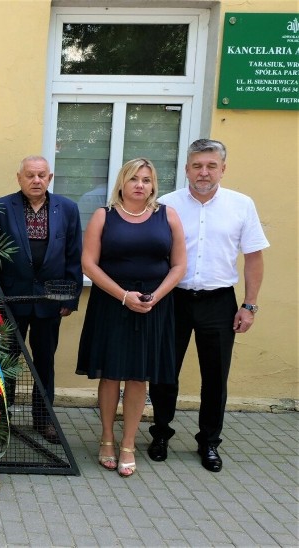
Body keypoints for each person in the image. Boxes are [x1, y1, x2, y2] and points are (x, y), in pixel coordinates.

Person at [149, 139, 269, 473]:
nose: (204, 172)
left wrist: (250, 305)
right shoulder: (166, 205)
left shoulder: (241, 205)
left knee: (215, 377)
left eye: (211, 166)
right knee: (164, 373)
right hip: (173, 300)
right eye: (197, 165)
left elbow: (254, 258)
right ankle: (160, 434)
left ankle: (209, 442)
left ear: (223, 169)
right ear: (186, 168)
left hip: (219, 302)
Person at [75, 158, 186, 477]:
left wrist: (156, 296)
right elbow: (89, 264)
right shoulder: (103, 216)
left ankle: (128, 443)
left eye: (147, 180)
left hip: (153, 305)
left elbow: (178, 265)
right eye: (134, 178)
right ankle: (107, 438)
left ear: (154, 186)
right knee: (111, 374)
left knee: (139, 376)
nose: (141, 184)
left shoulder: (168, 216)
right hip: (112, 304)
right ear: (122, 183)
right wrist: (124, 296)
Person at [0, 155, 83, 444]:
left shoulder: (67, 209)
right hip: (12, 300)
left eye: (41, 175)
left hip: (50, 300)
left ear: (50, 178)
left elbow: (73, 255)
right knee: (8, 362)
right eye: (30, 175)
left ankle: (44, 420)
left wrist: (70, 296)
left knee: (44, 362)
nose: (36, 180)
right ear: (19, 178)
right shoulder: (2, 208)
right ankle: (2, 419)